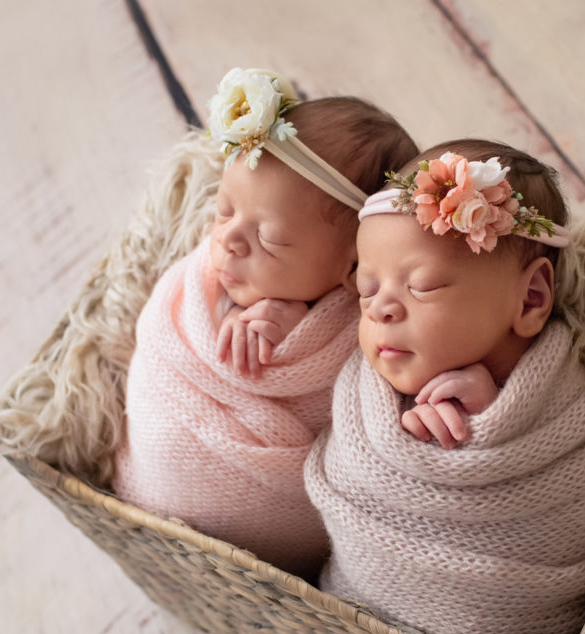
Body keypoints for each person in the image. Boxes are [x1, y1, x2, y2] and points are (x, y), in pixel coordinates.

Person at [304, 140, 585, 634]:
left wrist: (489, 417)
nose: (381, 308)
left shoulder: (566, 400)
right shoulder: (367, 395)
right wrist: (409, 427)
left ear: (531, 299)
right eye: (367, 289)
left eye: (423, 286)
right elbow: (356, 470)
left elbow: (565, 515)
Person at [113, 68, 417, 579]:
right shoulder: (206, 283)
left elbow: (368, 440)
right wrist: (230, 313)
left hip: (279, 524)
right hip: (162, 472)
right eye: (225, 209)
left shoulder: (369, 325)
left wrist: (297, 323)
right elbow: (166, 343)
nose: (229, 239)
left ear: (351, 269)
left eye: (269, 240)